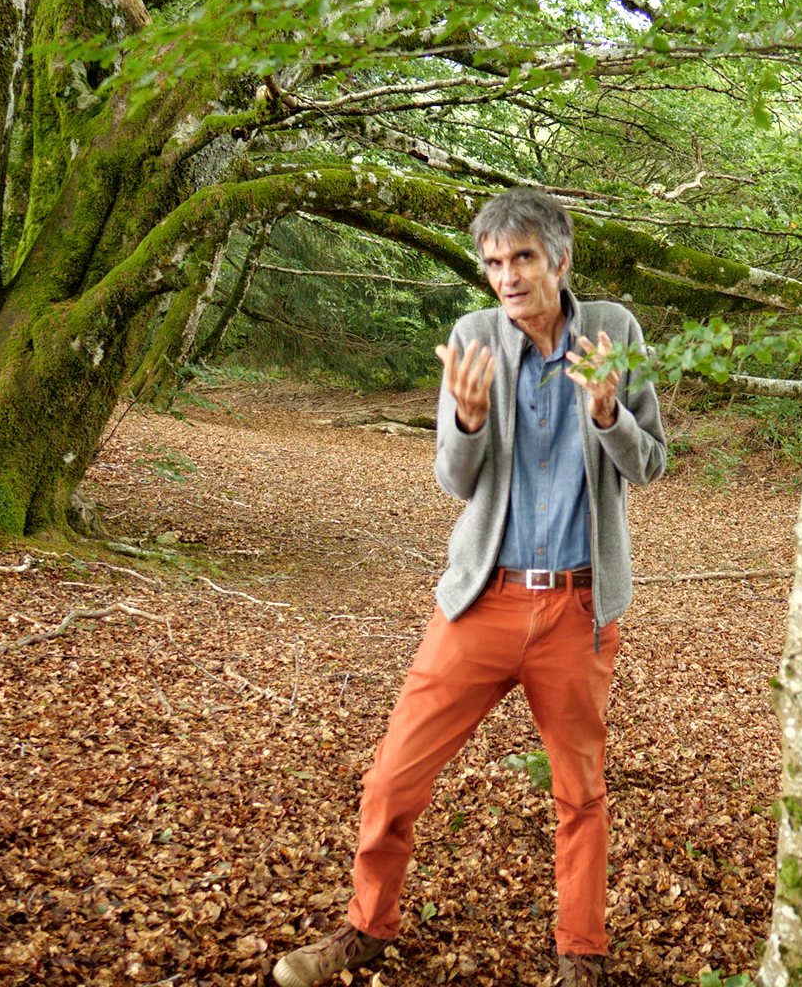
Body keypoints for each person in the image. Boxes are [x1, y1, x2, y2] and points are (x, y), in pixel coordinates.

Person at [273, 189, 667, 987]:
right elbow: (454, 480)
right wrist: (469, 420)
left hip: (577, 608)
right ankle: (366, 927)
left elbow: (650, 463)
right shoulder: (473, 338)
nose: (507, 277)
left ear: (560, 259)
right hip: (481, 602)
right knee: (392, 776)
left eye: (522, 258)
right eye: (493, 263)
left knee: (580, 793)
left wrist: (607, 415)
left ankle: (581, 954)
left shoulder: (614, 331)